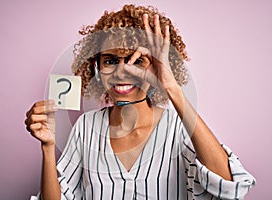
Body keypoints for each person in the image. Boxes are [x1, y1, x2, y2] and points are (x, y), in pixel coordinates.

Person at [25, 4, 255, 200]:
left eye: (137, 61)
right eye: (111, 60)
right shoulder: (86, 127)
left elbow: (230, 188)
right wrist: (47, 148)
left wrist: (171, 87)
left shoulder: (178, 127)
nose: (122, 72)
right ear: (97, 67)